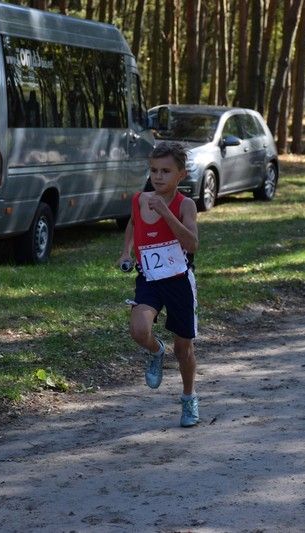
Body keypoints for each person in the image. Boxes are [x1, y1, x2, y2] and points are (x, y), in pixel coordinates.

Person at [118, 141, 200, 427]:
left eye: (166, 171)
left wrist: (166, 213)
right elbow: (132, 224)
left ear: (181, 175)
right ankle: (155, 351)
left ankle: (189, 399)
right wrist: (126, 251)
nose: (158, 176)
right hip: (150, 278)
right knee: (139, 330)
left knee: (183, 349)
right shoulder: (140, 199)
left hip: (178, 281)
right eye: (154, 170)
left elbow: (192, 243)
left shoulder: (185, 205)